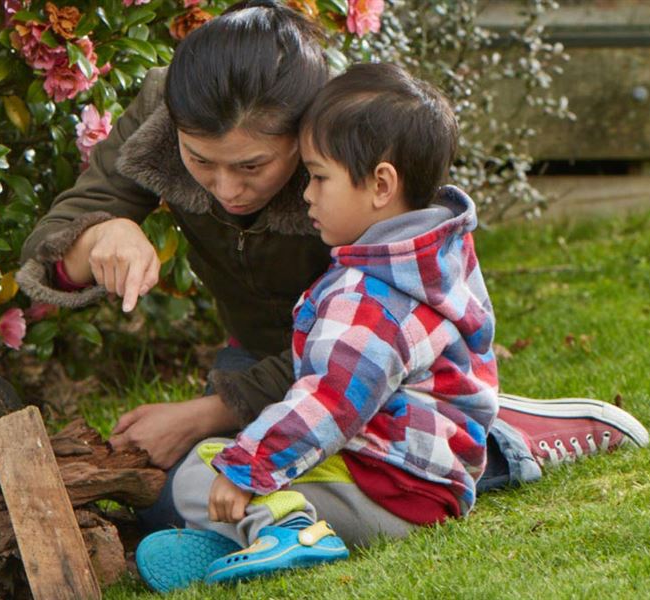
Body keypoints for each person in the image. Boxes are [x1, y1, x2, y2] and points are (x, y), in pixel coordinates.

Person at [16, 0, 648, 538]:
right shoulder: (168, 103)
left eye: (253, 166)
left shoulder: (361, 149)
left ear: (306, 134)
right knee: (167, 502)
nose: (225, 188)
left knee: (199, 486)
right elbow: (54, 242)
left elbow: (362, 350)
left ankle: (498, 444)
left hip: (383, 375)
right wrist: (104, 232)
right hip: (275, 365)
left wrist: (209, 413)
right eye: (201, 161)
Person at [134, 62, 497, 591]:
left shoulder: (370, 297)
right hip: (425, 481)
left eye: (319, 176)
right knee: (225, 473)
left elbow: (329, 401)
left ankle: (289, 531)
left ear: (380, 184)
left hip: (384, 491)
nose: (306, 194)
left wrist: (248, 467)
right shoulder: (433, 252)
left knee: (202, 471)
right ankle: (240, 546)